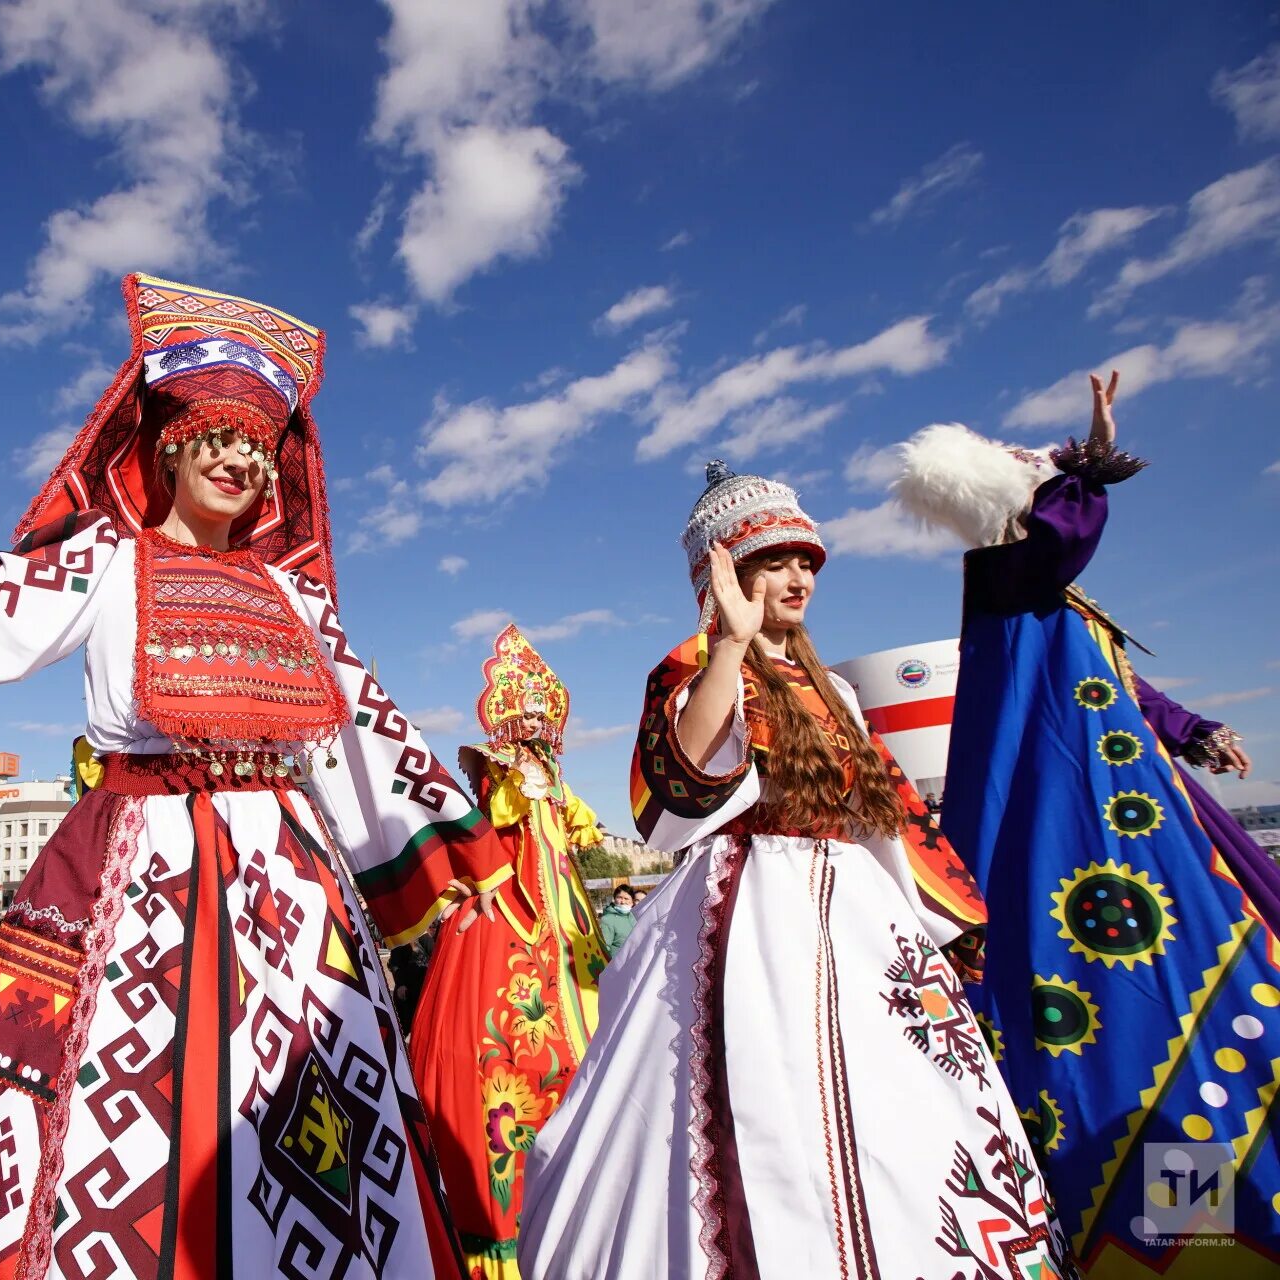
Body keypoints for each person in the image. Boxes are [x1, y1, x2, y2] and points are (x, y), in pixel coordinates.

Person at [0, 273, 510, 1280]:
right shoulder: (107, 561)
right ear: (171, 446)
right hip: (141, 878)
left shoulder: (291, 593)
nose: (239, 456)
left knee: (315, 1119)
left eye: (256, 441)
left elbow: (366, 727)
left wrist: (473, 858)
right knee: (118, 1115)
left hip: (292, 896)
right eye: (215, 435)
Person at [519, 464, 1067, 1279]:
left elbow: (891, 820)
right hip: (749, 913)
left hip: (856, 918)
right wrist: (729, 646)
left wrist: (944, 919)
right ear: (727, 572)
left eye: (807, 559)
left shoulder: (835, 687)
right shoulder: (697, 669)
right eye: (776, 559)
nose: (800, 575)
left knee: (906, 1112)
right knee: (750, 1109)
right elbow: (674, 798)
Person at [892, 374, 1280, 1270]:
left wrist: (1198, 733)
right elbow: (1071, 526)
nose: (1044, 480)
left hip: (1141, 830)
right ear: (1006, 509)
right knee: (1137, 1025)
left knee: (1191, 994)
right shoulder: (1006, 577)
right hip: (1091, 848)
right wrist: (1089, 454)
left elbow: (1123, 690)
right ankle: (1187, 1240)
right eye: (1028, 477)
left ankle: (1202, 1221)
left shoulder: (1042, 601)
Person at [409, 624, 609, 1279]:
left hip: (534, 936)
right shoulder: (524, 797)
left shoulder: (544, 803)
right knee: (504, 1070)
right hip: (508, 933)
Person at [596, 884, 637, 956]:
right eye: (619, 897)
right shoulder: (607, 919)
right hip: (618, 962)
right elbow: (605, 947)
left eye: (626, 898)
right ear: (614, 899)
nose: (623, 902)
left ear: (632, 902)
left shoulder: (633, 917)